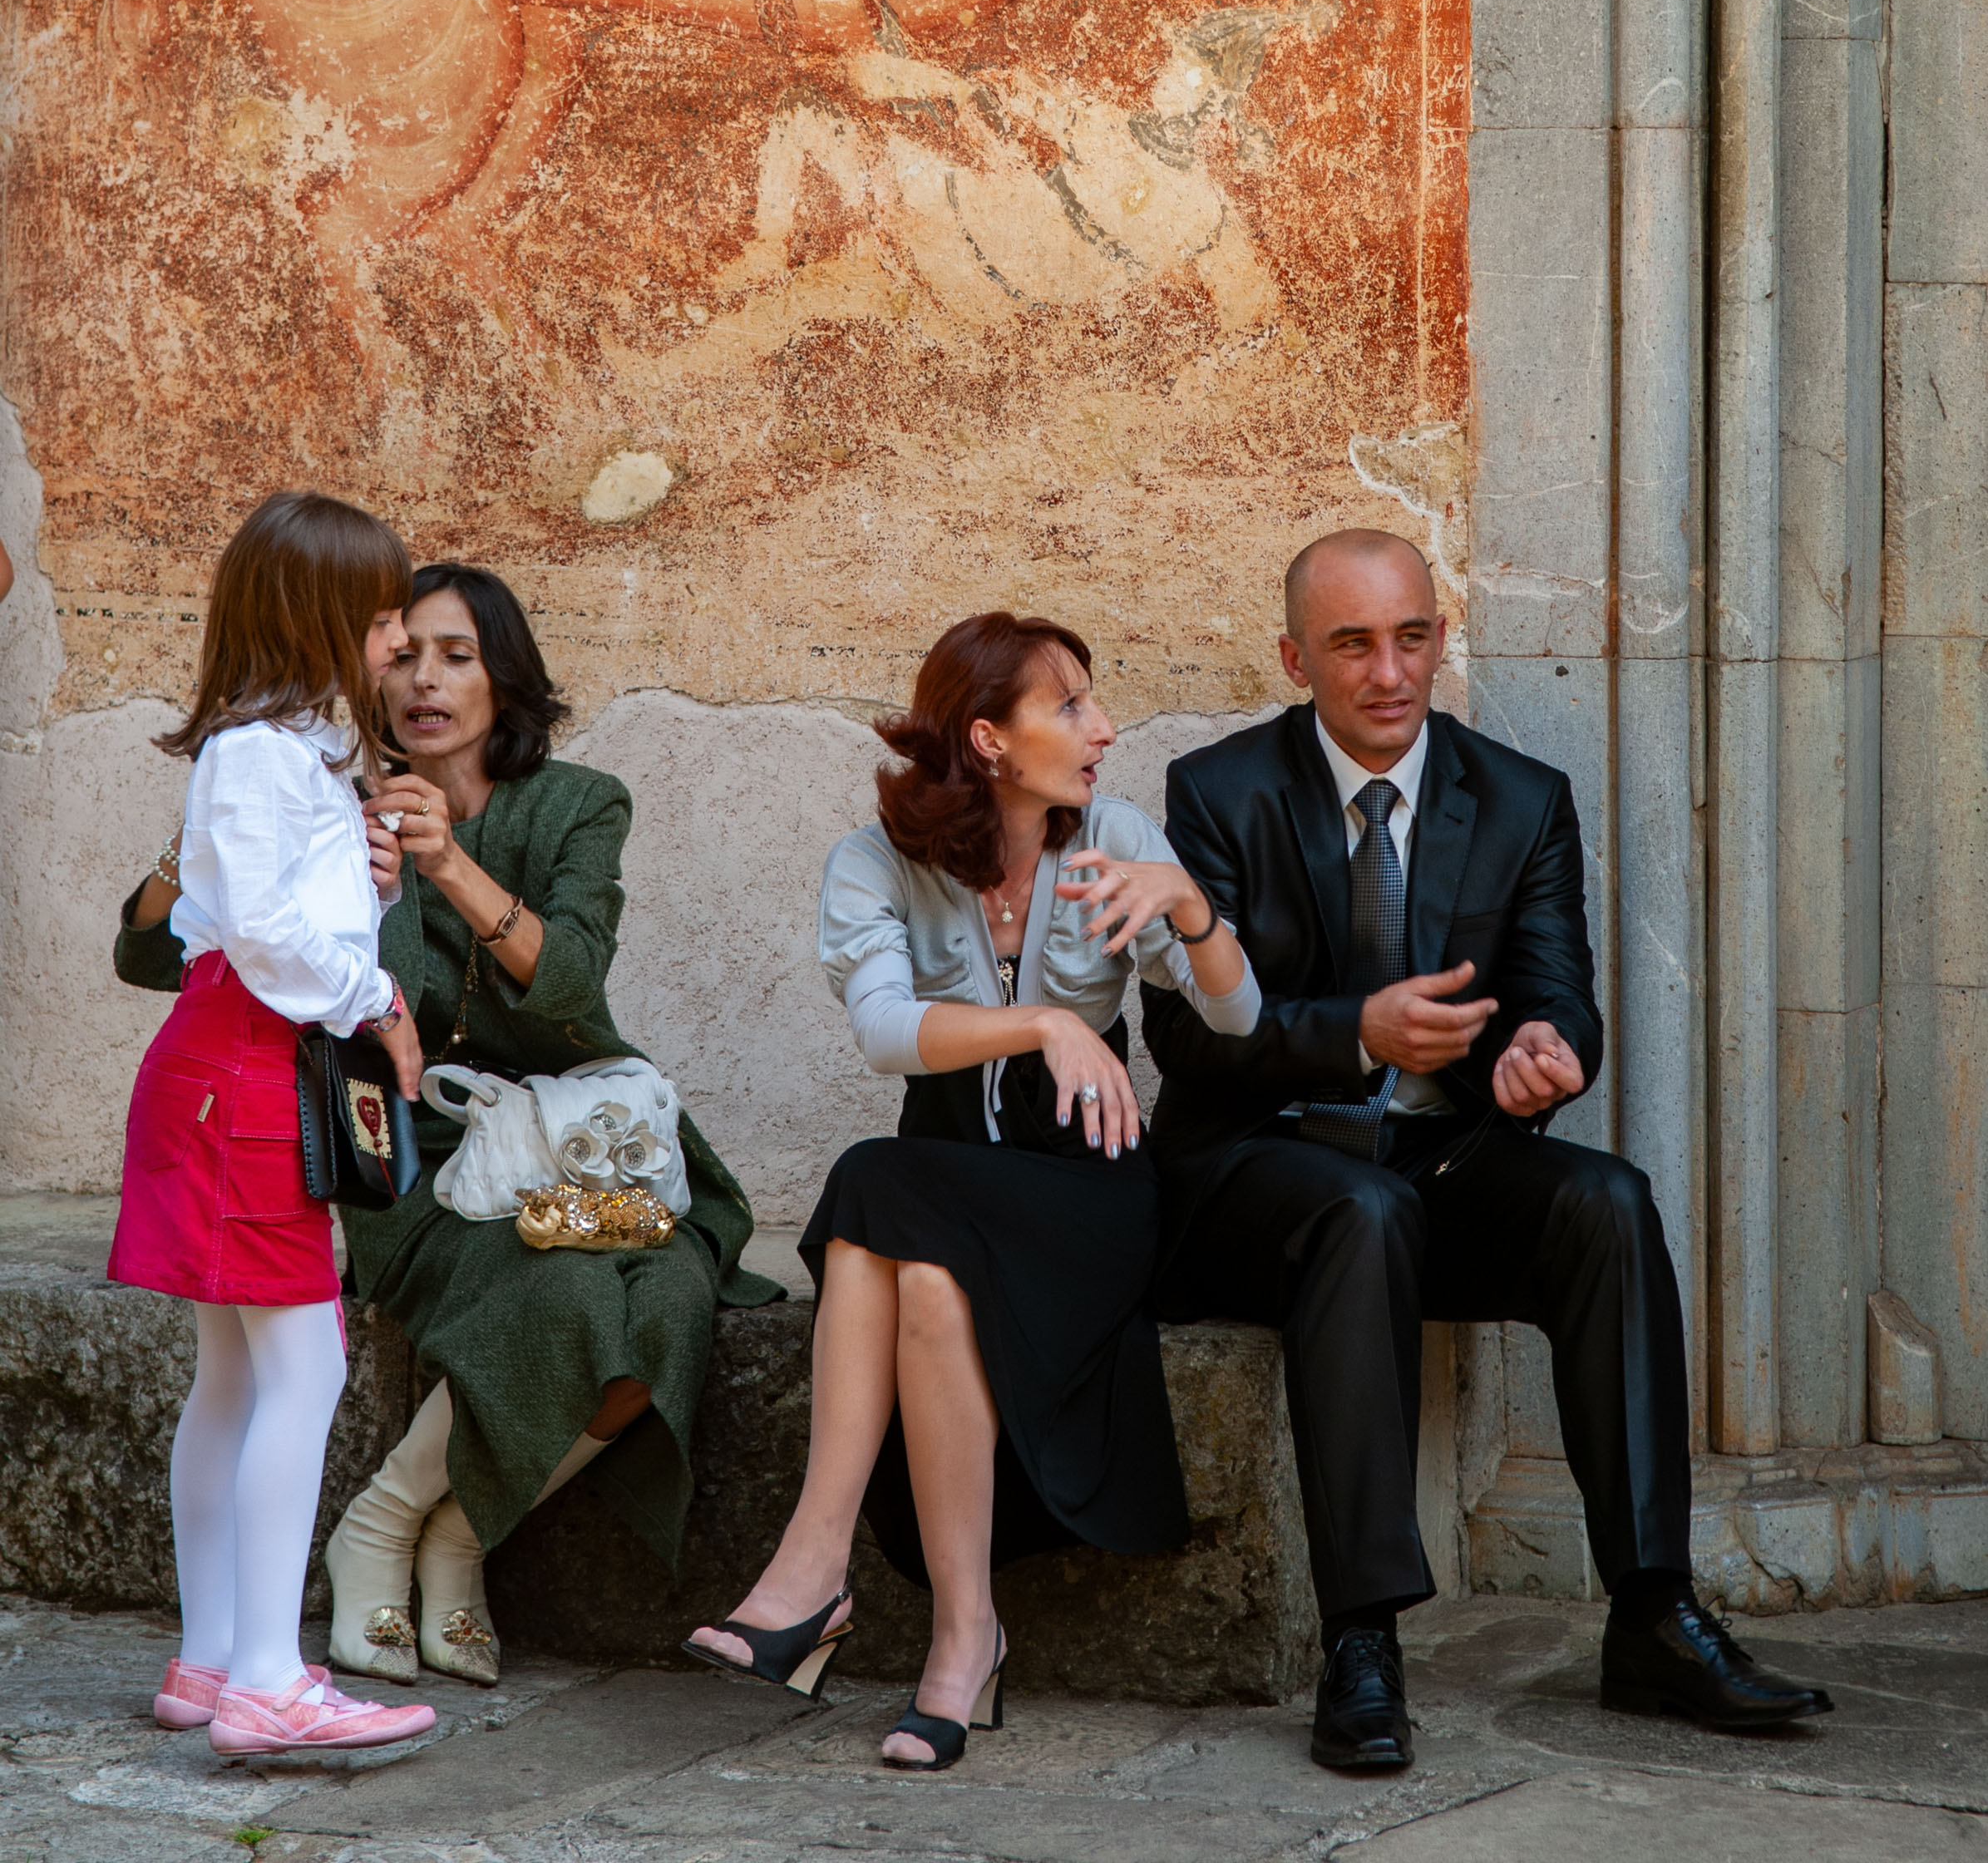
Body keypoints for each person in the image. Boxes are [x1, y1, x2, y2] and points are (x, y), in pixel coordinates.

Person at [1143, 530, 1833, 1770]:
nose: (1389, 670)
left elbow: (1558, 995)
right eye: (1353, 643)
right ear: (1296, 655)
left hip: (1439, 1165)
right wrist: (1355, 1031)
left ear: (1440, 640)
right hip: (1258, 1173)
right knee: (1360, 1213)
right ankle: (1362, 1641)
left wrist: (1545, 1057)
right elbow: (1187, 1040)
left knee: (1607, 1201)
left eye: (1412, 636)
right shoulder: (1216, 793)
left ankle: (1652, 1612)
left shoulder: (1520, 798)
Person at [119, 558, 778, 1689]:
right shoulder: (317, 781)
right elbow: (144, 953)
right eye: (406, 651)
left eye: (458, 656)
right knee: (565, 1291)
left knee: (673, 1291)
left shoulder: (578, 803)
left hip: (571, 1142)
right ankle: (409, 1557)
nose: (424, 680)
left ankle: (424, 1527)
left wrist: (448, 863)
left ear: (503, 679)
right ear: (369, 667)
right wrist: (200, 839)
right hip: (407, 1159)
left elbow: (571, 985)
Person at [686, 610, 1260, 1772]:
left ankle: (813, 1569)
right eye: (1071, 707)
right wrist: (1046, 1019)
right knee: (927, 1274)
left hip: (1086, 1196)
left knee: (870, 1183)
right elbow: (887, 1033)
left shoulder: (1117, 840)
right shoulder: (876, 861)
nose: (1102, 729)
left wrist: (1190, 908)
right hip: (946, 1185)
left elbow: (1239, 1015)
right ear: (991, 739)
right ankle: (964, 1642)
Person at [106, 490, 437, 1762]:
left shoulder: (284, 754)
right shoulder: (257, 754)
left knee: (237, 1374)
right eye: (380, 615)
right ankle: (266, 1681)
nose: (396, 638)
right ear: (323, 619)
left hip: (225, 1070)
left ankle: (211, 1657)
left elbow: (254, 912)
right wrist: (379, 996)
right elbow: (252, 936)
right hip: (243, 1077)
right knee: (305, 1368)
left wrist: (355, 888)